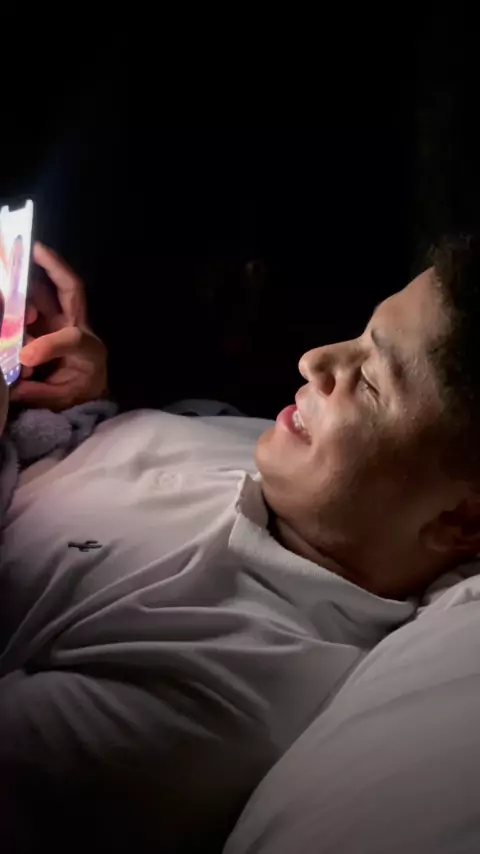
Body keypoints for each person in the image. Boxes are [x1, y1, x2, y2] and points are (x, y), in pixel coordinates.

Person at [1, 234, 480, 852]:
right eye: (358, 336)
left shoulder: (210, 698)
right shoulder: (294, 465)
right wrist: (74, 399)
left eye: (367, 381)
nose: (313, 360)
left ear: (462, 524)